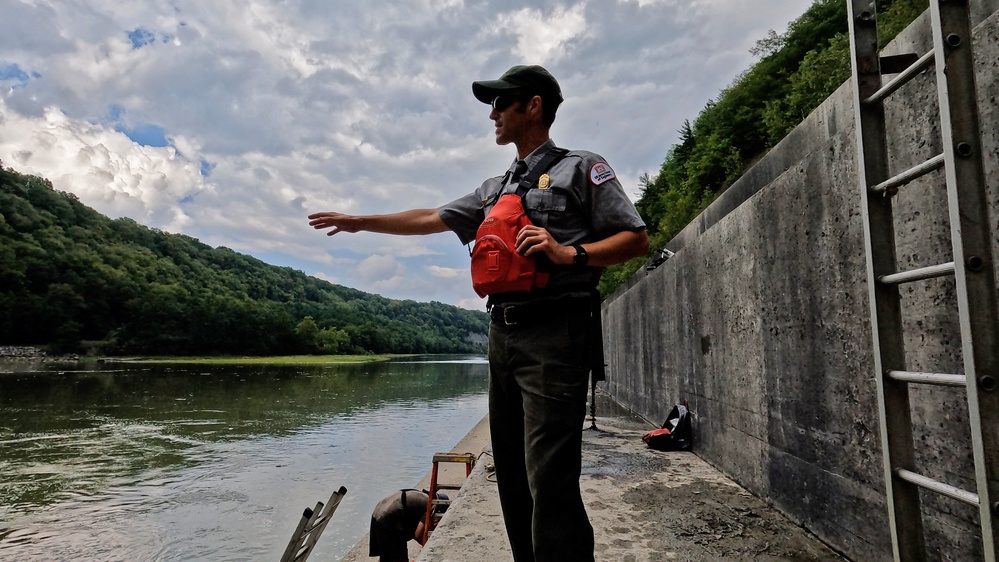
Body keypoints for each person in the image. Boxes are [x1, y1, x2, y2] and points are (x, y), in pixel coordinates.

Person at [309, 65, 649, 562]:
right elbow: (430, 216)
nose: (492, 114)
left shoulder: (583, 168)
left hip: (556, 333)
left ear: (532, 106)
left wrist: (567, 253)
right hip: (502, 336)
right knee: (511, 473)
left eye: (500, 103)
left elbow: (635, 239)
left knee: (549, 477)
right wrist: (360, 222)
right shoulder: (495, 187)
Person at [368, 489, 447, 562]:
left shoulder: (421, 496)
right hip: (391, 516)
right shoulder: (432, 506)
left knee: (385, 555)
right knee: (400, 558)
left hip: (378, 512)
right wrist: (429, 549)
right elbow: (418, 535)